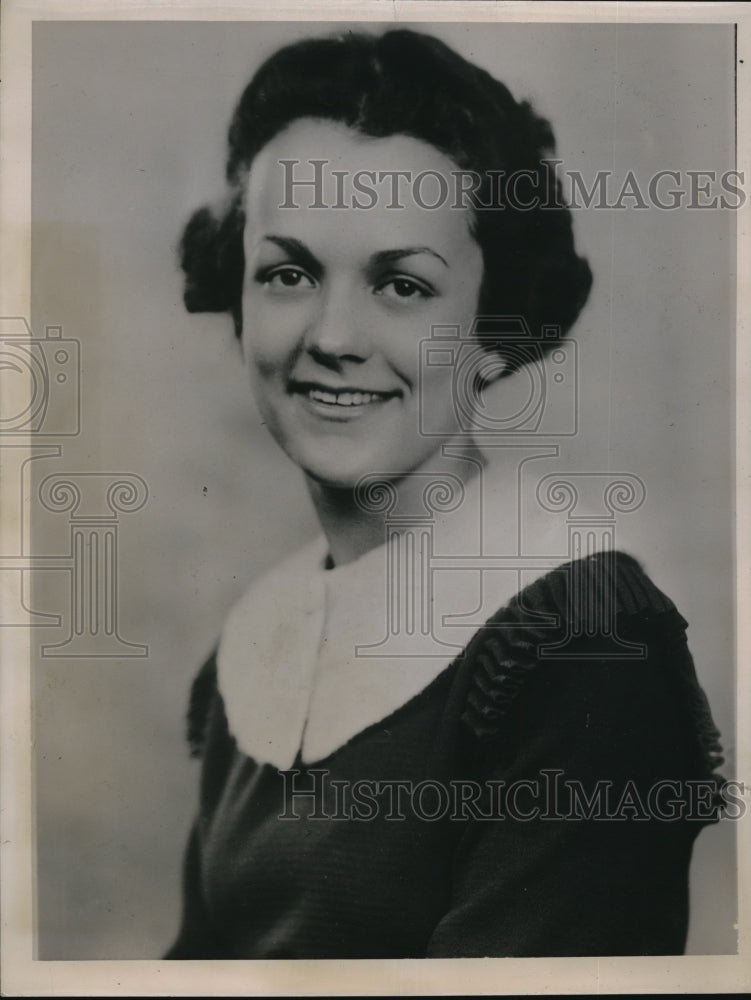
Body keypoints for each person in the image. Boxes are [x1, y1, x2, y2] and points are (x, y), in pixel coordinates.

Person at [165, 28, 724, 959]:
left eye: (401, 284)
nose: (333, 334)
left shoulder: (582, 648)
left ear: (497, 328)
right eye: (289, 273)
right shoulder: (260, 633)